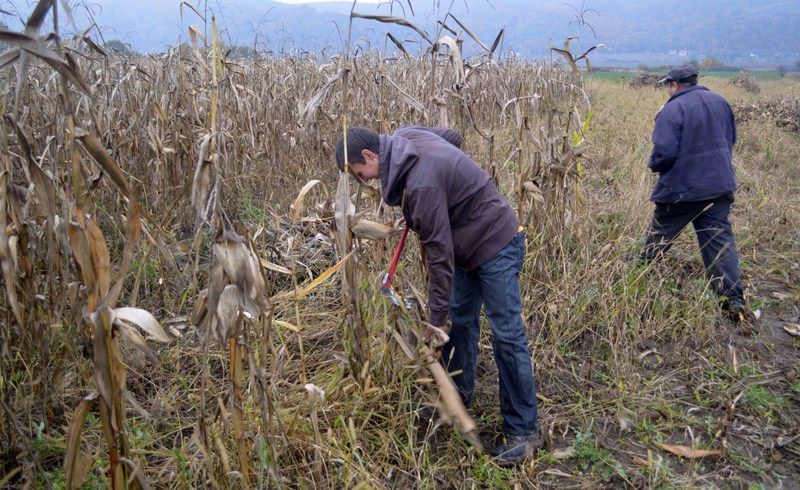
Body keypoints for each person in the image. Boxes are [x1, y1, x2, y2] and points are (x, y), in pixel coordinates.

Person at [335, 126, 540, 465]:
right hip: (467, 245)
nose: (365, 182)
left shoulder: (422, 185)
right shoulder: (405, 138)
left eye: (361, 174)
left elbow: (440, 254)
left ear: (371, 156)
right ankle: (459, 394)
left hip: (497, 241)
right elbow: (452, 137)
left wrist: (433, 320)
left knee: (506, 334)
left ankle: (524, 431)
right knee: (462, 320)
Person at [639, 64, 746, 320]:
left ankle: (633, 279)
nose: (667, 89)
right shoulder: (720, 101)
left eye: (668, 85)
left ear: (674, 85)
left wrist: (653, 165)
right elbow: (730, 140)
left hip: (682, 190)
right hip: (719, 186)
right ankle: (732, 300)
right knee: (718, 242)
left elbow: (664, 153)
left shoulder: (672, 108)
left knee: (659, 237)